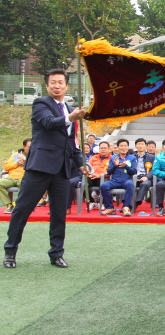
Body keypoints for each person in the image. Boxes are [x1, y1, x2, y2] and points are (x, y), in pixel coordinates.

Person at [4, 69, 86, 269]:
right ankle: (10, 252)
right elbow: (49, 123)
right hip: (40, 167)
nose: (57, 86)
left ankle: (56, 254)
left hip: (62, 170)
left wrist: (81, 163)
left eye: (60, 82)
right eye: (53, 83)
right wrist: (71, 117)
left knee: (59, 214)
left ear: (67, 86)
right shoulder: (41, 103)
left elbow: (72, 142)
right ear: (47, 85)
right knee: (22, 210)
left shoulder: (69, 108)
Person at [100, 139, 137, 216]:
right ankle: (110, 207)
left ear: (128, 147)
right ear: (117, 147)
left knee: (130, 185)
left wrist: (126, 166)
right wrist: (115, 165)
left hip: (126, 180)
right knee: (104, 186)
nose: (123, 147)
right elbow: (109, 172)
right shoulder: (113, 158)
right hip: (114, 181)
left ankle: (126, 207)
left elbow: (134, 172)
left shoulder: (132, 158)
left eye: (125, 146)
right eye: (121, 146)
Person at [0, 139, 31, 214]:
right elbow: (6, 167)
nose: (30, 149)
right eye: (28, 147)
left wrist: (25, 162)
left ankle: (19, 206)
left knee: (23, 183)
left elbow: (36, 167)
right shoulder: (16, 154)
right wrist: (16, 164)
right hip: (12, 177)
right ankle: (9, 205)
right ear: (23, 147)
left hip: (24, 177)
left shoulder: (34, 156)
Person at [133, 138, 155, 208]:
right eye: (138, 144)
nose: (140, 146)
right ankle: (126, 204)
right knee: (128, 184)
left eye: (142, 144)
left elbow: (154, 170)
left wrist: (147, 177)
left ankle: (137, 202)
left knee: (145, 184)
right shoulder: (132, 157)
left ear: (145, 146)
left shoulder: (152, 157)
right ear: (136, 146)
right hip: (134, 177)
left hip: (146, 178)